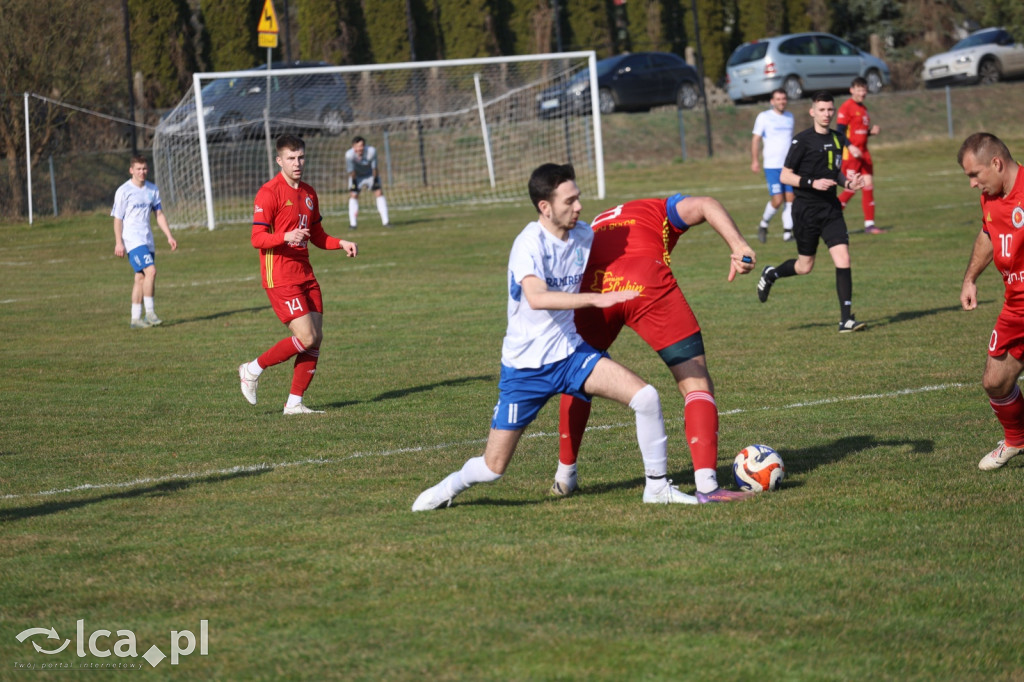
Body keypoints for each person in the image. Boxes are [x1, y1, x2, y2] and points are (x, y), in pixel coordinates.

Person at [412, 163, 699, 511]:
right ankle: (447, 488)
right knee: (493, 468)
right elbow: (538, 297)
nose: (579, 207)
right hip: (526, 369)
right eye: (570, 201)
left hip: (572, 356)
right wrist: (595, 298)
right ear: (545, 207)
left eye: (578, 198)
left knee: (647, 397)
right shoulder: (528, 244)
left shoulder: (584, 236)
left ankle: (656, 488)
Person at [553, 194, 758, 503]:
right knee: (695, 382)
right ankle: (707, 486)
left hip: (595, 285)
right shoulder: (660, 208)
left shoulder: (596, 222)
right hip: (645, 280)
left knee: (578, 374)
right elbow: (705, 204)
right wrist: (739, 246)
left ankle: (564, 477)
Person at [238, 134, 358, 415]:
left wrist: (340, 242)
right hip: (279, 275)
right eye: (291, 158)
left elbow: (317, 235)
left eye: (301, 157)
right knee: (305, 337)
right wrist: (285, 236)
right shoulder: (269, 192)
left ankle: (294, 403)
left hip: (305, 273)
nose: (297, 162)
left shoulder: (308, 193)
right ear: (279, 160)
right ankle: (252, 369)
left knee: (316, 338)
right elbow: (257, 238)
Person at [755, 91, 868, 333]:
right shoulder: (801, 141)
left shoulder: (838, 138)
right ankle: (772, 273)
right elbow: (786, 175)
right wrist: (811, 183)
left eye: (830, 110)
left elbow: (834, 171)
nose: (827, 114)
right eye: (822, 110)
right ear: (812, 112)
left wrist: (848, 183)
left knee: (843, 259)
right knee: (805, 266)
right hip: (805, 211)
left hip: (830, 209)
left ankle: (846, 320)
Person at [957, 132, 1024, 470]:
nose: (972, 184)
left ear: (996, 163)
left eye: (974, 174)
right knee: (995, 382)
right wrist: (970, 278)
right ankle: (1016, 440)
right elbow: (988, 233)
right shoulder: (991, 198)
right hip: (1016, 307)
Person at [111, 155, 178, 329]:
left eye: (145, 169)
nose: (142, 172)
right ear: (131, 170)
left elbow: (159, 214)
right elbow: (118, 219)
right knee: (151, 271)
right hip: (133, 240)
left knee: (140, 278)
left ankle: (135, 318)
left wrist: (169, 236)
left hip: (147, 240)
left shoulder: (152, 189)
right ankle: (150, 313)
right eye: (138, 169)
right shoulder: (124, 191)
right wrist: (119, 242)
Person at [836, 76, 882, 234]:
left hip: (864, 154)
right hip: (851, 155)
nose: (862, 93)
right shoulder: (846, 107)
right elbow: (840, 132)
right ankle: (829, 218)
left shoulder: (864, 109)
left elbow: (859, 133)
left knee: (868, 186)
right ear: (852, 90)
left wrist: (870, 133)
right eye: (859, 89)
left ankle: (869, 225)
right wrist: (850, 147)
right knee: (851, 189)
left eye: (864, 90)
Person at [751, 88, 796, 243]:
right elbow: (756, 140)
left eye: (783, 98)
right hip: (772, 166)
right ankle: (764, 224)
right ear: (772, 101)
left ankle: (787, 233)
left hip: (789, 166)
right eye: (778, 99)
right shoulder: (764, 117)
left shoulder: (790, 117)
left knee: (791, 198)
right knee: (777, 200)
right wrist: (755, 160)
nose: (781, 101)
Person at [345, 136, 389, 229]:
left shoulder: (371, 152)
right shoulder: (349, 155)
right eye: (357, 146)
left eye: (361, 146)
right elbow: (351, 171)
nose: (359, 149)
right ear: (353, 147)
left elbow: (374, 168)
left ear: (364, 146)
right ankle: (353, 224)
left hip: (370, 174)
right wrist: (354, 183)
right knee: (353, 195)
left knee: (379, 192)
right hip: (356, 176)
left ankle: (386, 222)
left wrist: (375, 180)